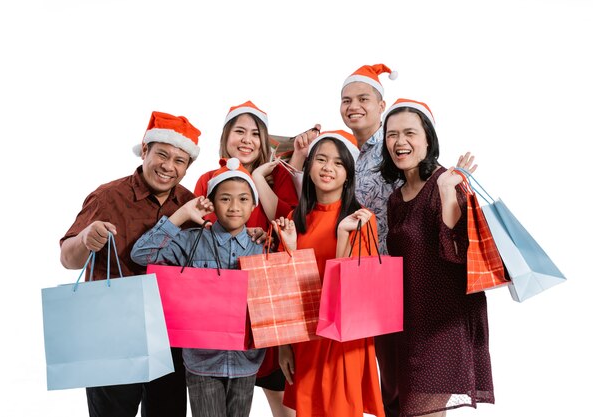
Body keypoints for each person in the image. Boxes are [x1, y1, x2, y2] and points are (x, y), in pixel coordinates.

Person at [59, 111, 202, 417]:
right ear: (145, 150)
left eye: (179, 160)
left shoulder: (189, 203)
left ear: (187, 168)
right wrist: (85, 238)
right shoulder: (108, 196)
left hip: (170, 333)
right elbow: (68, 260)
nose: (168, 166)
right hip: (113, 331)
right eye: (162, 154)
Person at [379, 98, 494, 416]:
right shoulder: (395, 199)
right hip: (407, 326)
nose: (400, 142)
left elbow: (460, 255)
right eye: (392, 134)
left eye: (409, 133)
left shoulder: (446, 184)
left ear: (428, 139)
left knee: (418, 411)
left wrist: (445, 191)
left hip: (443, 326)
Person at [130, 157, 265, 417]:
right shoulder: (191, 241)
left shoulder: (262, 245)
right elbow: (142, 255)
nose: (234, 206)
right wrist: (179, 217)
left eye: (243, 199)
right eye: (225, 198)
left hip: (247, 360)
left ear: (254, 205)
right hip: (202, 360)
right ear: (211, 203)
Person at [194, 100, 298, 417]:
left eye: (255, 133)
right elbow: (201, 233)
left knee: (279, 395)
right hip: (220, 304)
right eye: (239, 131)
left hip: (265, 300)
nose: (247, 140)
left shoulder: (276, 176)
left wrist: (259, 177)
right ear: (226, 136)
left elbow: (286, 220)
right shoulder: (209, 178)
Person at [274, 130, 385, 417]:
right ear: (308, 167)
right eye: (321, 159)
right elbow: (286, 286)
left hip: (343, 341)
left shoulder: (362, 220)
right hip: (306, 338)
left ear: (348, 174)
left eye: (338, 163)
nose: (327, 168)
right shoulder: (292, 220)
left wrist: (342, 237)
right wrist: (284, 345)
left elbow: (352, 295)